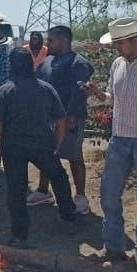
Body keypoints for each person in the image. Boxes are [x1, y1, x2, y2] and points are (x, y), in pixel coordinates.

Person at [0, 48, 76, 249]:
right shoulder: (46, 88)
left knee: (16, 190)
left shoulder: (5, 90)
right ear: (31, 65)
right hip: (42, 144)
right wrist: (58, 143)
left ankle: (19, 236)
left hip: (13, 146)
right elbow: (61, 119)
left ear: (11, 66)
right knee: (59, 177)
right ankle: (68, 217)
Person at [85, 17, 137, 264]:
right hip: (119, 138)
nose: (116, 47)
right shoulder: (117, 64)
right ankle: (114, 246)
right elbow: (112, 98)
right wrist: (98, 94)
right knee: (109, 194)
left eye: (120, 43)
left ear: (135, 41)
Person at [30, 25, 93, 214]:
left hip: (70, 119)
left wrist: (70, 116)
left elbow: (79, 92)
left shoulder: (78, 63)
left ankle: (80, 197)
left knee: (74, 156)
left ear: (64, 40)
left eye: (51, 40)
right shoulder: (47, 61)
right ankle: (43, 191)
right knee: (46, 154)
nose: (47, 44)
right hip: (48, 118)